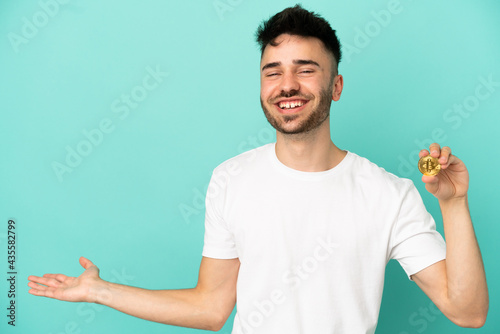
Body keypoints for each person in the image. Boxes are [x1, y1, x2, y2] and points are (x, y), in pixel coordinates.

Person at [28, 5, 488, 333]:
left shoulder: (390, 194)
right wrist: (99, 291)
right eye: (272, 72)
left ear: (337, 85)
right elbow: (210, 308)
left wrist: (455, 205)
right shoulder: (230, 179)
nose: (287, 84)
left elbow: (467, 312)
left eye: (306, 69)